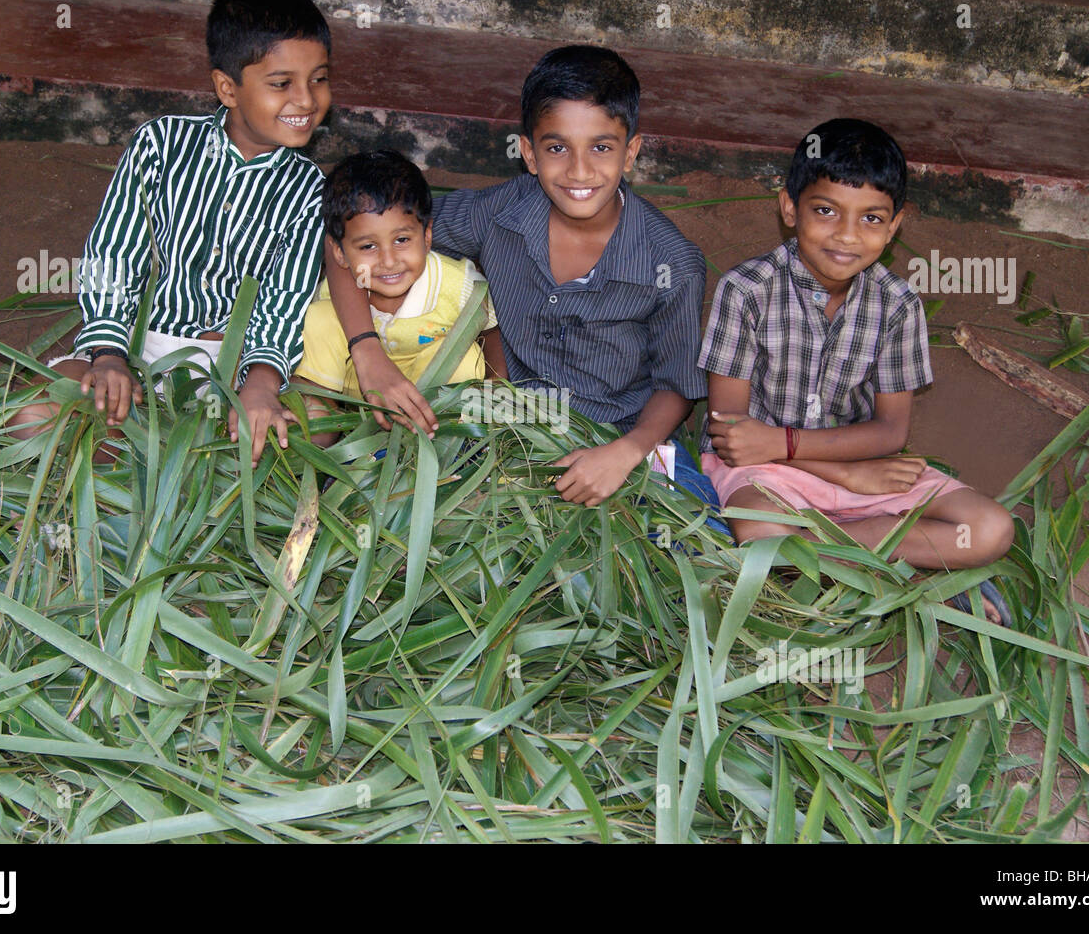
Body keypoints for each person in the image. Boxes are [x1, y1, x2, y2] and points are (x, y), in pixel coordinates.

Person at [322, 45, 718, 510]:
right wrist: (366, 350)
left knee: (698, 526)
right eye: (556, 148)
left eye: (601, 147)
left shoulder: (672, 263)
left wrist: (625, 452)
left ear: (630, 151)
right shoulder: (501, 213)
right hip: (498, 421)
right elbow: (352, 238)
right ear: (528, 153)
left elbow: (676, 385)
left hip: (618, 433)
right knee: (368, 494)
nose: (579, 170)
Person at [700, 118, 1016, 624]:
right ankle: (909, 576)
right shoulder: (746, 291)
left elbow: (892, 430)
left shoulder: (898, 306)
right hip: (763, 471)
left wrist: (834, 464)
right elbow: (732, 435)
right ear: (789, 207)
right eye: (826, 211)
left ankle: (821, 559)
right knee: (760, 531)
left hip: (859, 466)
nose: (847, 235)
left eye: (871, 219)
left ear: (895, 226)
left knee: (990, 528)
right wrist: (842, 472)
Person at [10, 0, 331, 468]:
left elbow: (285, 300)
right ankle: (152, 462)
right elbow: (114, 255)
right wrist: (110, 357)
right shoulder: (161, 145)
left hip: (234, 365)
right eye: (282, 84)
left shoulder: (309, 190)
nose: (306, 101)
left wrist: (262, 385)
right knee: (32, 415)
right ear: (227, 88)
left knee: (316, 428)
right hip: (139, 345)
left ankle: (154, 463)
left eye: (319, 79)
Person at [294, 150, 505, 447]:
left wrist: (496, 386)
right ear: (339, 253)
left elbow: (491, 330)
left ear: (427, 235)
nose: (389, 261)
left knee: (467, 358)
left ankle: (439, 444)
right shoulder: (335, 291)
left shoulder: (458, 284)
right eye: (368, 246)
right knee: (320, 318)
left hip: (428, 396)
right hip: (358, 398)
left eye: (402, 240)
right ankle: (320, 433)